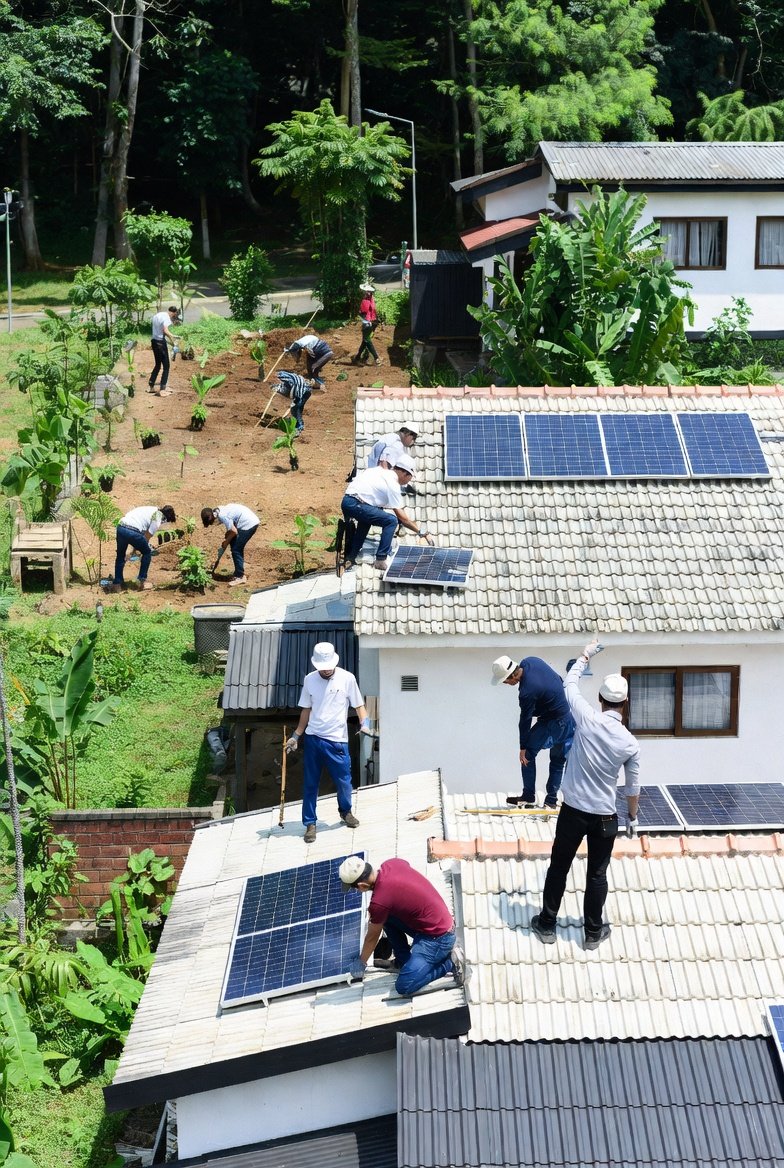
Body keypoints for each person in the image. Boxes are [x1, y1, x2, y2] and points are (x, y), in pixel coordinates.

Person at [531, 641, 641, 951]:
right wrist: (633, 817)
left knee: (559, 866)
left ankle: (547, 925)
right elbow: (632, 789)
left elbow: (569, 684)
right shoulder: (630, 743)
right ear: (626, 703)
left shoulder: (587, 718)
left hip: (573, 812)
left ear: (600, 699)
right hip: (605, 817)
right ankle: (593, 933)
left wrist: (585, 655)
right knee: (597, 874)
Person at [338, 855, 467, 994]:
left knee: (404, 986)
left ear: (362, 886)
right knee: (383, 916)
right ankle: (403, 960)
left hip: (438, 938)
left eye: (355, 888)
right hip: (435, 922)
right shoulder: (392, 863)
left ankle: (450, 963)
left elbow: (372, 938)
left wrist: (361, 962)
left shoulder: (379, 902)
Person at [286, 643, 370, 842]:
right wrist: (296, 735)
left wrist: (364, 724)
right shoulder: (309, 680)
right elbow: (306, 709)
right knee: (310, 784)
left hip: (337, 740)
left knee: (344, 782)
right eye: (322, 666)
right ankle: (310, 824)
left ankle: (345, 812)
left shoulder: (347, 678)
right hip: (314, 738)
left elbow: (359, 705)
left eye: (328, 665)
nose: (326, 669)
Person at [491, 654, 575, 809]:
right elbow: (558, 680)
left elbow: (525, 721)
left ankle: (529, 796)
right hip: (568, 719)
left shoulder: (526, 692)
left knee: (527, 754)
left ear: (512, 677)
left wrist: (522, 747)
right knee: (558, 761)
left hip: (553, 722)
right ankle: (551, 800)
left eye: (505, 681)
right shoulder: (531, 661)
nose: (506, 684)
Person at [340, 453, 433, 570]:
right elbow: (403, 518)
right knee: (391, 521)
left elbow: (390, 508)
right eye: (410, 477)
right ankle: (381, 559)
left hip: (350, 502)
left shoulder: (380, 472)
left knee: (368, 519)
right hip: (356, 504)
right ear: (404, 473)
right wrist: (422, 532)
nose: (409, 481)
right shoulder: (392, 484)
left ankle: (351, 555)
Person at [111, 504, 176, 592]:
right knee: (147, 552)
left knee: (120, 555)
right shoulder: (158, 517)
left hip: (121, 527)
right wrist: (136, 550)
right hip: (133, 530)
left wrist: (133, 550)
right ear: (166, 518)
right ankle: (142, 582)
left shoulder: (152, 509)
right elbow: (147, 537)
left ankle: (117, 584)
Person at [201, 503, 260, 587]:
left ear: (212, 517)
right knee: (233, 542)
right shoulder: (219, 510)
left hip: (249, 524)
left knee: (236, 549)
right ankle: (238, 572)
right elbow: (232, 526)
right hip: (248, 521)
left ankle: (240, 576)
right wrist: (228, 537)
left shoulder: (222, 516)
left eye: (212, 523)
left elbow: (234, 531)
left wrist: (226, 541)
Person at [148, 306, 180, 397]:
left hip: (154, 342)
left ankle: (151, 386)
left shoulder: (158, 315)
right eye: (175, 315)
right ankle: (162, 389)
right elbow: (165, 331)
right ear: (174, 313)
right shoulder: (167, 318)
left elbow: (159, 332)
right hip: (160, 344)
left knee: (158, 364)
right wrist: (173, 337)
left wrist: (171, 342)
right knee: (166, 366)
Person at [271, 370, 316, 435]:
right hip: (303, 389)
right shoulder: (286, 379)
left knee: (296, 409)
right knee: (296, 409)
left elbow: (297, 394)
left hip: (304, 392)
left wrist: (294, 402)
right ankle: (299, 423)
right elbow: (283, 389)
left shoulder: (292, 383)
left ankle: (299, 427)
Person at [352, 283, 380, 365]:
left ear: (367, 292)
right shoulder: (372, 299)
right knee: (364, 341)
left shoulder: (365, 301)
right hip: (373, 322)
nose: (363, 293)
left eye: (364, 291)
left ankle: (376, 358)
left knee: (367, 340)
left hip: (367, 323)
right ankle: (357, 357)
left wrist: (359, 312)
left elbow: (363, 312)